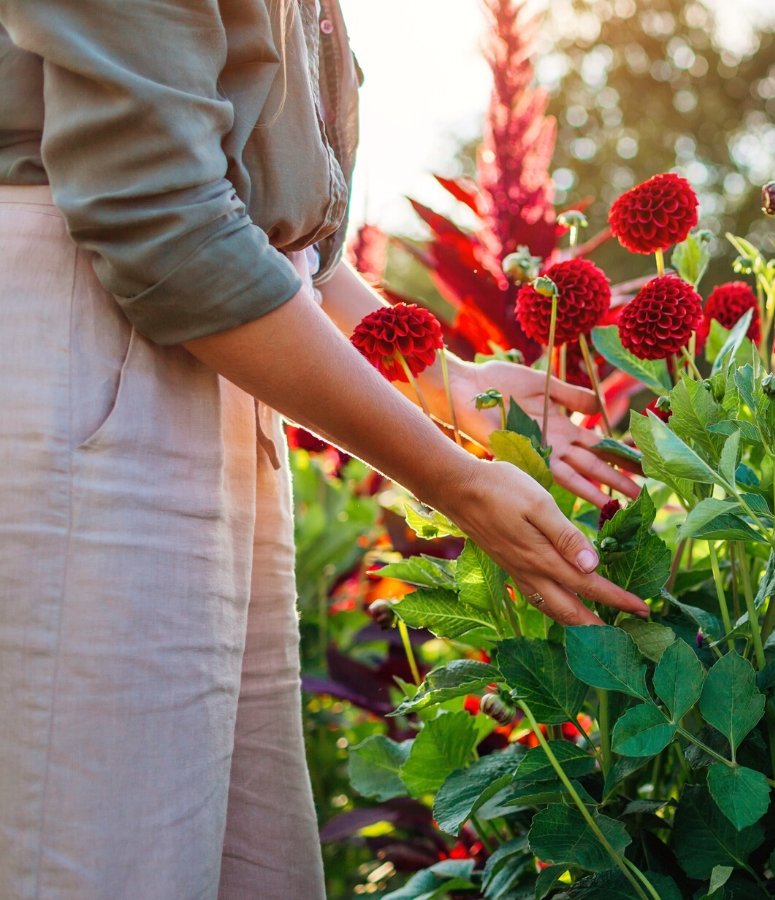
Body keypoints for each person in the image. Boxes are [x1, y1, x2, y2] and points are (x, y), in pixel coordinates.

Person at [0, 2, 642, 896]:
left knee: (226, 853)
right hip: (91, 364)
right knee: (101, 852)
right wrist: (454, 481)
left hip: (202, 349)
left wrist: (440, 378)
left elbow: (279, 231)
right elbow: (166, 221)